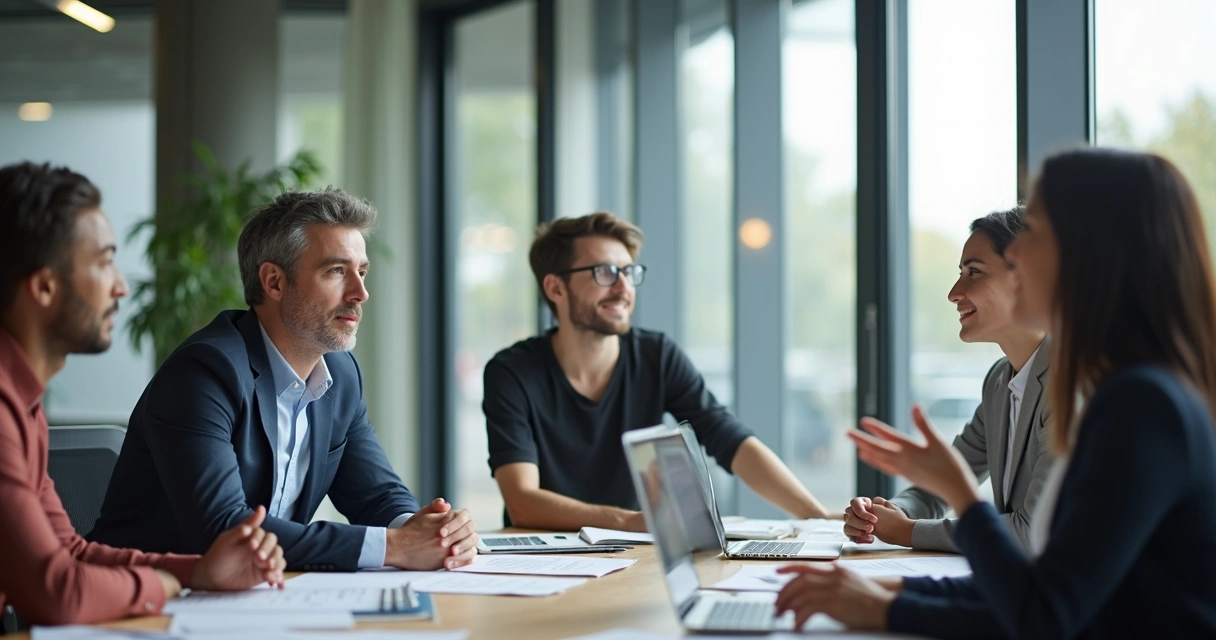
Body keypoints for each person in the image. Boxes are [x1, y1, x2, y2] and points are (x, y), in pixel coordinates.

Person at [775, 148, 1216, 638]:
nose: (1019, 255)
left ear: (1091, 254)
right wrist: (888, 596)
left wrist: (962, 498)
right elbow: (1043, 592)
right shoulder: (1129, 391)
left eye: (1037, 234)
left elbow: (1043, 614)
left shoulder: (1140, 406)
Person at [90, 187, 478, 572]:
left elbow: (377, 494)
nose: (361, 293)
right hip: (140, 605)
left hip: (256, 598)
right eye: (337, 271)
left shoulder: (340, 374)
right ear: (274, 282)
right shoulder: (205, 371)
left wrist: (427, 530)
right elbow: (225, 530)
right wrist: (394, 547)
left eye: (361, 272)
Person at [0, 162, 286, 625]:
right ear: (44, 287)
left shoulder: (22, 405)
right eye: (103, 262)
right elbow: (57, 592)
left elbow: (69, 552)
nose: (121, 285)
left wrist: (199, 571)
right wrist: (169, 583)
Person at [484, 211, 832, 530]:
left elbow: (730, 440)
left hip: (634, 557)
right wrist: (633, 521)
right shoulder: (512, 373)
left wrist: (816, 517)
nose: (623, 288)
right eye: (604, 272)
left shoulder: (656, 355)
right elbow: (522, 503)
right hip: (542, 562)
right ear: (555, 288)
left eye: (628, 272)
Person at [845, 207, 1051, 552]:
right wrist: (887, 515)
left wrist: (908, 531)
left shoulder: (1073, 386)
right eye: (960, 273)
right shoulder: (1000, 381)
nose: (955, 292)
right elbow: (944, 484)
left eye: (974, 272)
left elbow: (1033, 534)